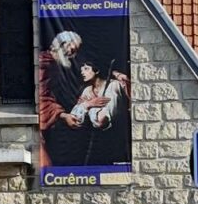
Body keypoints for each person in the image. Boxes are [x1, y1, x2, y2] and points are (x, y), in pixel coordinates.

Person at [37, 31, 84, 167]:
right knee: (45, 166)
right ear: (63, 44)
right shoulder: (44, 63)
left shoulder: (52, 64)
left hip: (44, 130)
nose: (72, 55)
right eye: (72, 49)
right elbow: (41, 98)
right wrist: (63, 115)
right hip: (35, 130)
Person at [71, 61, 129, 130]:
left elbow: (101, 121)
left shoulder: (113, 86)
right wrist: (88, 104)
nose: (82, 73)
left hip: (116, 132)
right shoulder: (87, 91)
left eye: (86, 69)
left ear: (97, 71)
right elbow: (75, 119)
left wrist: (88, 108)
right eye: (81, 70)